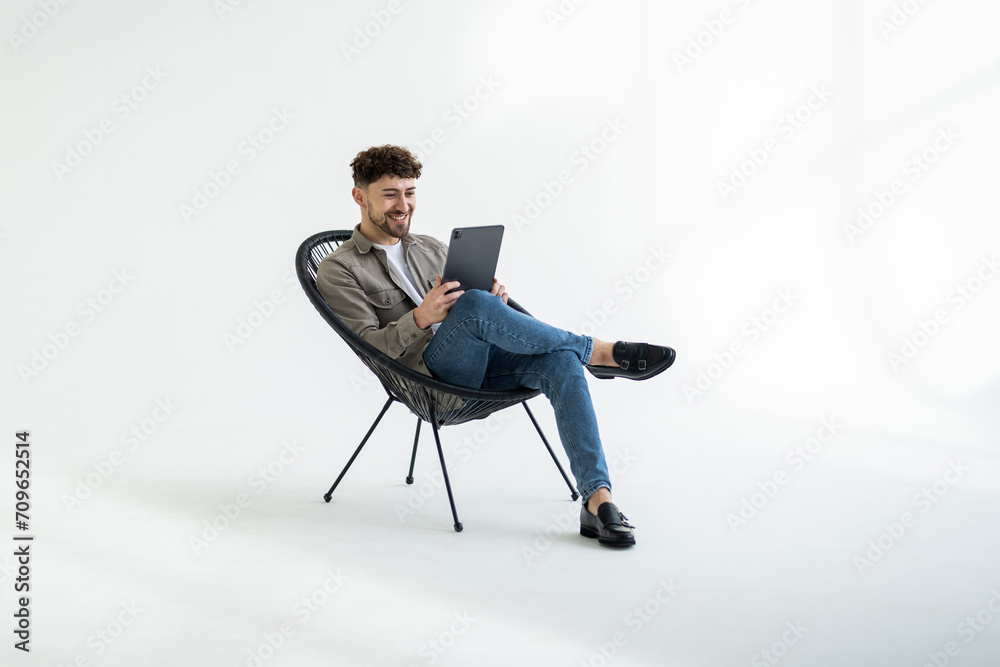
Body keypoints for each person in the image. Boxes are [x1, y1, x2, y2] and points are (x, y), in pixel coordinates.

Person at [316, 145, 675, 547]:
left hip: (480, 361)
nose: (404, 206)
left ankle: (597, 500)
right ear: (359, 196)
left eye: (410, 192)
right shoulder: (339, 269)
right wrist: (422, 317)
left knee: (560, 360)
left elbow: (470, 312)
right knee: (475, 306)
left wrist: (494, 307)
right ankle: (597, 352)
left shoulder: (431, 247)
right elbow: (369, 347)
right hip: (430, 384)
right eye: (389, 195)